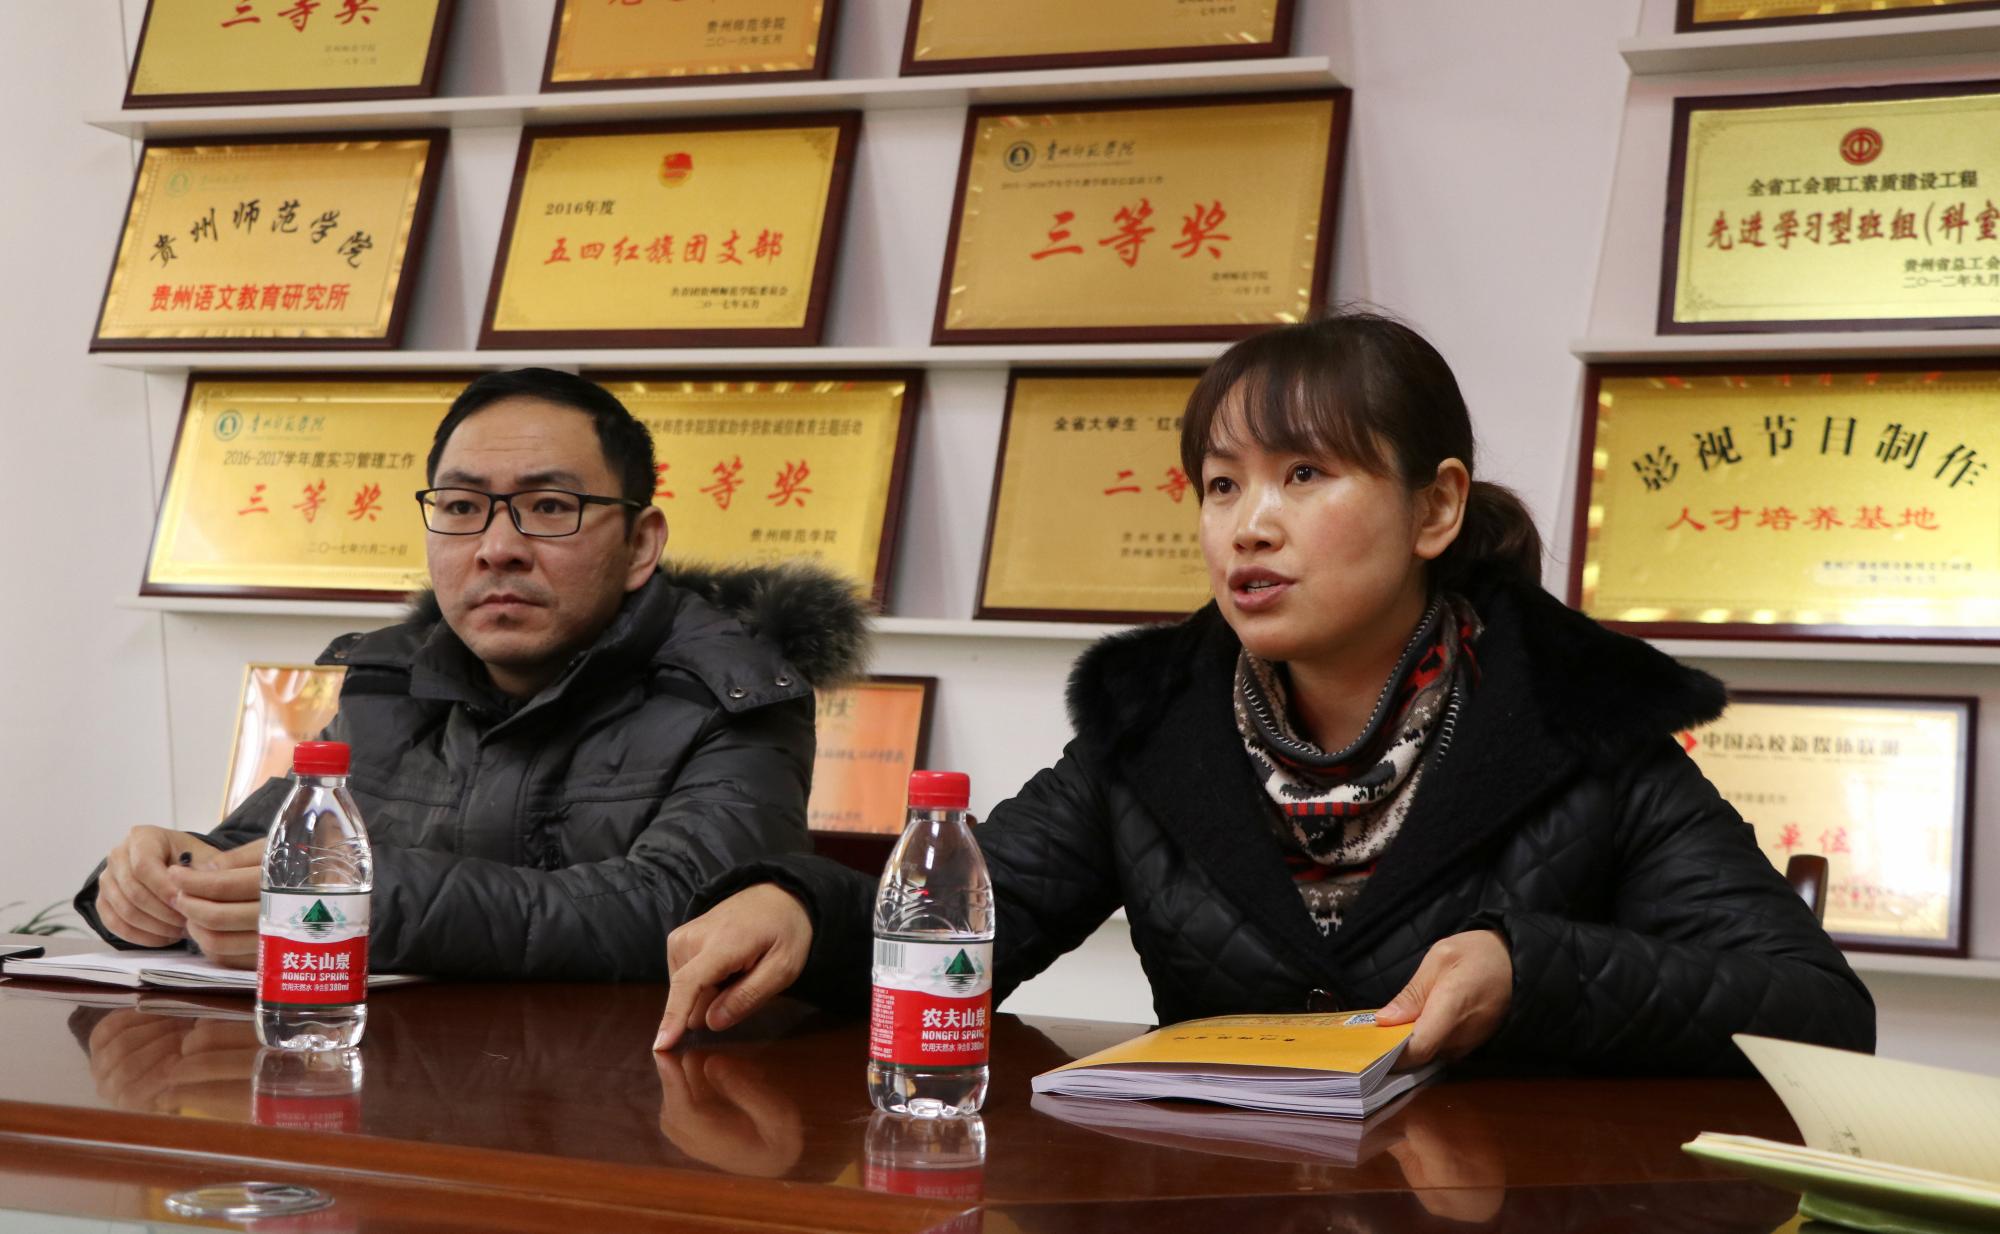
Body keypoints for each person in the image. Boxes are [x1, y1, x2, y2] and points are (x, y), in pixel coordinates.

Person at [655, 313, 1876, 1073]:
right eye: (1220, 484)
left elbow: (1814, 1009)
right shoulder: (1155, 725)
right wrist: (800, 909)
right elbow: (980, 920)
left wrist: (1528, 969)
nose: (1249, 525)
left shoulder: (1578, 722)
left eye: (1303, 474)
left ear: (1435, 508)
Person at [77, 368, 868, 979]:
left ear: (640, 545)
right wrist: (162, 883)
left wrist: (368, 903)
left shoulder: (734, 691)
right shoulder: (392, 682)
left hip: (623, 1106)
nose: (497, 547)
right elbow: (266, 851)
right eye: (460, 508)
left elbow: (680, 912)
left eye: (550, 507)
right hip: (390, 1089)